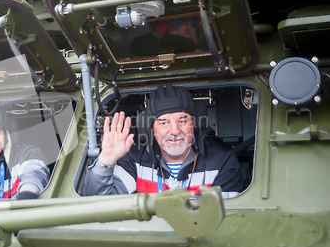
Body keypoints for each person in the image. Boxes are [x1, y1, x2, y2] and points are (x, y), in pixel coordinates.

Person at [81, 84, 246, 199]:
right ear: (152, 129)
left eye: (182, 121)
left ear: (194, 125)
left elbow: (226, 220)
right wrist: (106, 161)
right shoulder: (133, 160)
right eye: (163, 122)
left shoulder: (222, 161)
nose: (174, 131)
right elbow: (99, 202)